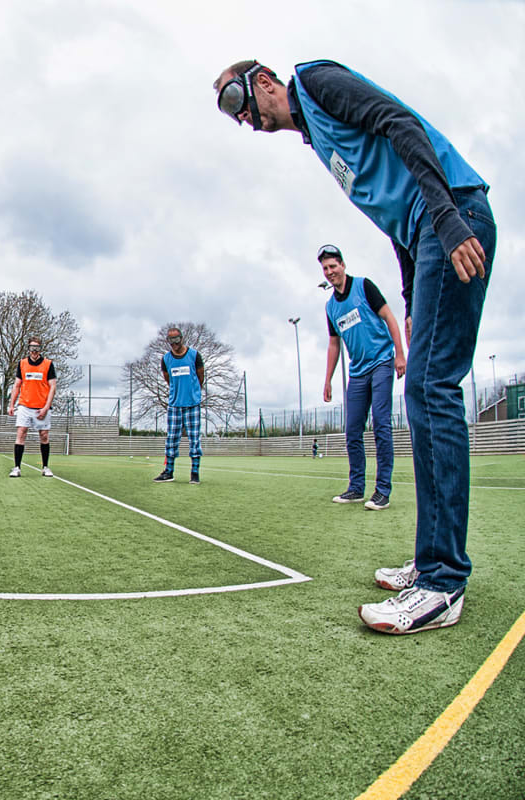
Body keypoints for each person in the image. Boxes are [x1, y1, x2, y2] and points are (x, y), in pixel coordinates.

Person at [214, 59, 495, 634]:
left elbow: (401, 124)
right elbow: (393, 219)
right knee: (423, 393)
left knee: (428, 389)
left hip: (453, 212)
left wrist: (444, 217)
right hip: (424, 234)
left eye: (236, 99)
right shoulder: (318, 141)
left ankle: (443, 582)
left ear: (265, 79)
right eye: (230, 112)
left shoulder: (315, 80)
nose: (241, 117)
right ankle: (432, 558)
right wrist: (414, 300)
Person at [318, 244, 406, 510]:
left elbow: (390, 317)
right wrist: (328, 379)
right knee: (352, 430)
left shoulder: (364, 286)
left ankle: (382, 491)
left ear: (343, 265)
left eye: (333, 266)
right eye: (325, 269)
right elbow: (334, 344)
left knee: (381, 424)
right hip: (357, 373)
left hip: (381, 362)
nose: (330, 272)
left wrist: (400, 354)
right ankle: (356, 488)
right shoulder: (331, 306)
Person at [153, 327, 204, 485]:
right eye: (171, 340)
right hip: (175, 405)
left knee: (194, 439)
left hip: (192, 404)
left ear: (181, 338)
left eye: (176, 339)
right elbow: (168, 379)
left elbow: (200, 376)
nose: (174, 343)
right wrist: (178, 393)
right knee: (171, 439)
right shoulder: (166, 359)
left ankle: (194, 473)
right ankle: (169, 472)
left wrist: (192, 393)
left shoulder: (194, 355)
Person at [7, 336, 57, 478]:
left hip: (42, 407)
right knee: (21, 432)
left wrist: (46, 407)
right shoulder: (22, 364)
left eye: (37, 347)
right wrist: (12, 405)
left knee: (44, 435)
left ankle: (45, 467)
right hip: (24, 406)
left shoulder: (48, 364)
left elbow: (53, 387)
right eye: (32, 347)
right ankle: (17, 467)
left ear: (40, 349)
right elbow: (17, 385)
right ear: (28, 349)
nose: (34, 351)